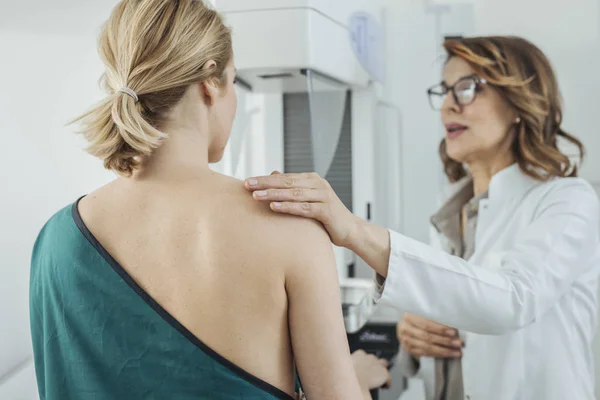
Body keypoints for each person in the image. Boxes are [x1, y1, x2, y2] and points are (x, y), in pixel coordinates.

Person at [29, 1, 390, 399]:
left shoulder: (55, 240)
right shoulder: (289, 229)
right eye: (234, 81)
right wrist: (353, 376)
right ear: (210, 82)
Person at [244, 36, 600, 400]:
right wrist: (412, 340)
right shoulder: (448, 215)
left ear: (519, 103)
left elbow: (513, 299)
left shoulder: (568, 201)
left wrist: (353, 230)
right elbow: (458, 315)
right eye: (444, 91)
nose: (447, 105)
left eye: (466, 89)